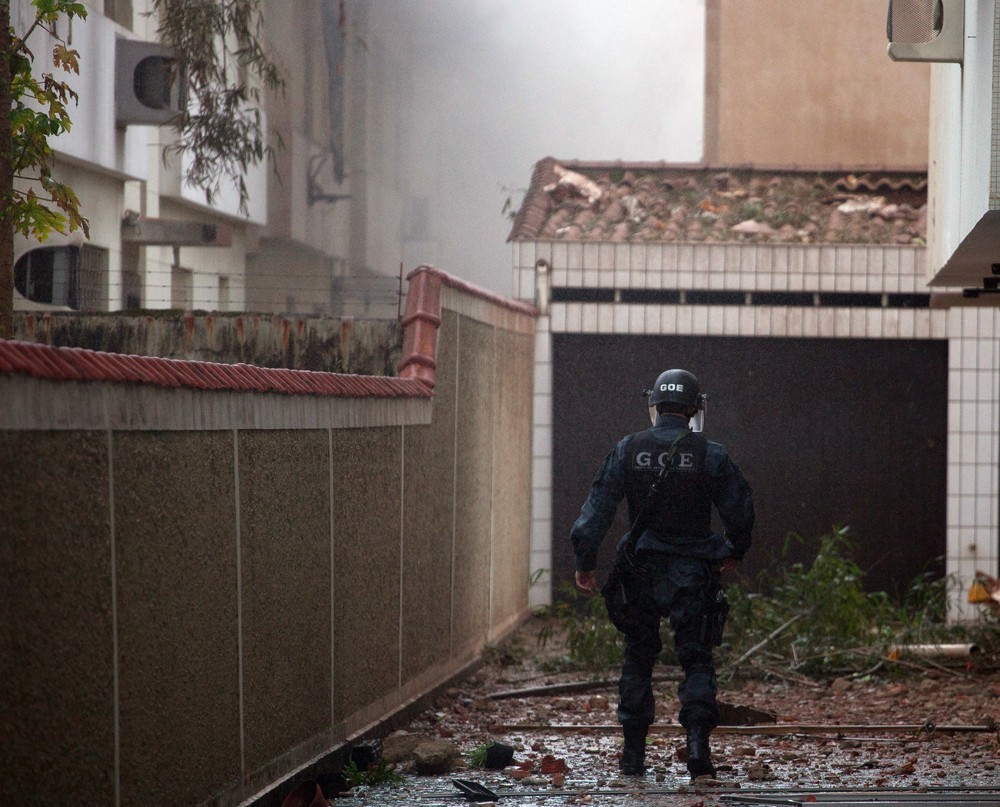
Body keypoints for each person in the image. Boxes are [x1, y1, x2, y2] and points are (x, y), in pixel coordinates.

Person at [570, 369, 754, 780]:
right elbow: (741, 510)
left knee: (638, 657)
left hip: (640, 571)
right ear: (693, 408)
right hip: (694, 574)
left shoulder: (627, 449)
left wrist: (586, 562)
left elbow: (596, 510)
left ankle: (633, 757)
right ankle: (697, 751)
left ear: (655, 405)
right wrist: (734, 551)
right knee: (698, 660)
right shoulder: (711, 454)